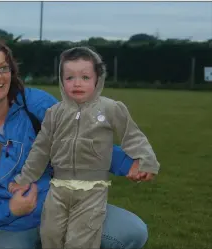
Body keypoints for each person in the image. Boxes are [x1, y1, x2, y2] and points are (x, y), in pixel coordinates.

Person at [0, 37, 152, 249]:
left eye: (3, 68)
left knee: (132, 231)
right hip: (5, 227)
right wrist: (9, 209)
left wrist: (127, 163)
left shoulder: (35, 104)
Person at [8, 46, 160, 249]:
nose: (77, 83)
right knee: (50, 235)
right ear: (62, 80)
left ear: (98, 79)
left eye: (85, 77)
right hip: (58, 188)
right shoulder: (54, 113)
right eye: (69, 77)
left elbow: (132, 137)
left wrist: (146, 161)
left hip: (92, 190)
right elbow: (41, 150)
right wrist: (25, 179)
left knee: (81, 241)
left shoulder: (110, 108)